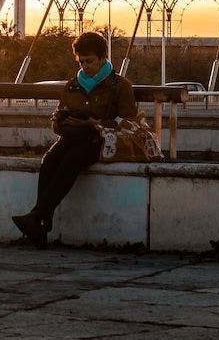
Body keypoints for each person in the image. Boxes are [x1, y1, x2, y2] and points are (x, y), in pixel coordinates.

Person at [12, 30, 146, 248]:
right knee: (49, 160)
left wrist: (94, 123)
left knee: (71, 161)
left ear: (103, 58)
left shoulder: (120, 85)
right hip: (73, 137)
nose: (85, 66)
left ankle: (37, 219)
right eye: (81, 61)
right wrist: (59, 120)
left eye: (90, 61)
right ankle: (39, 222)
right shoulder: (73, 85)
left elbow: (128, 122)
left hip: (100, 140)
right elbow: (60, 117)